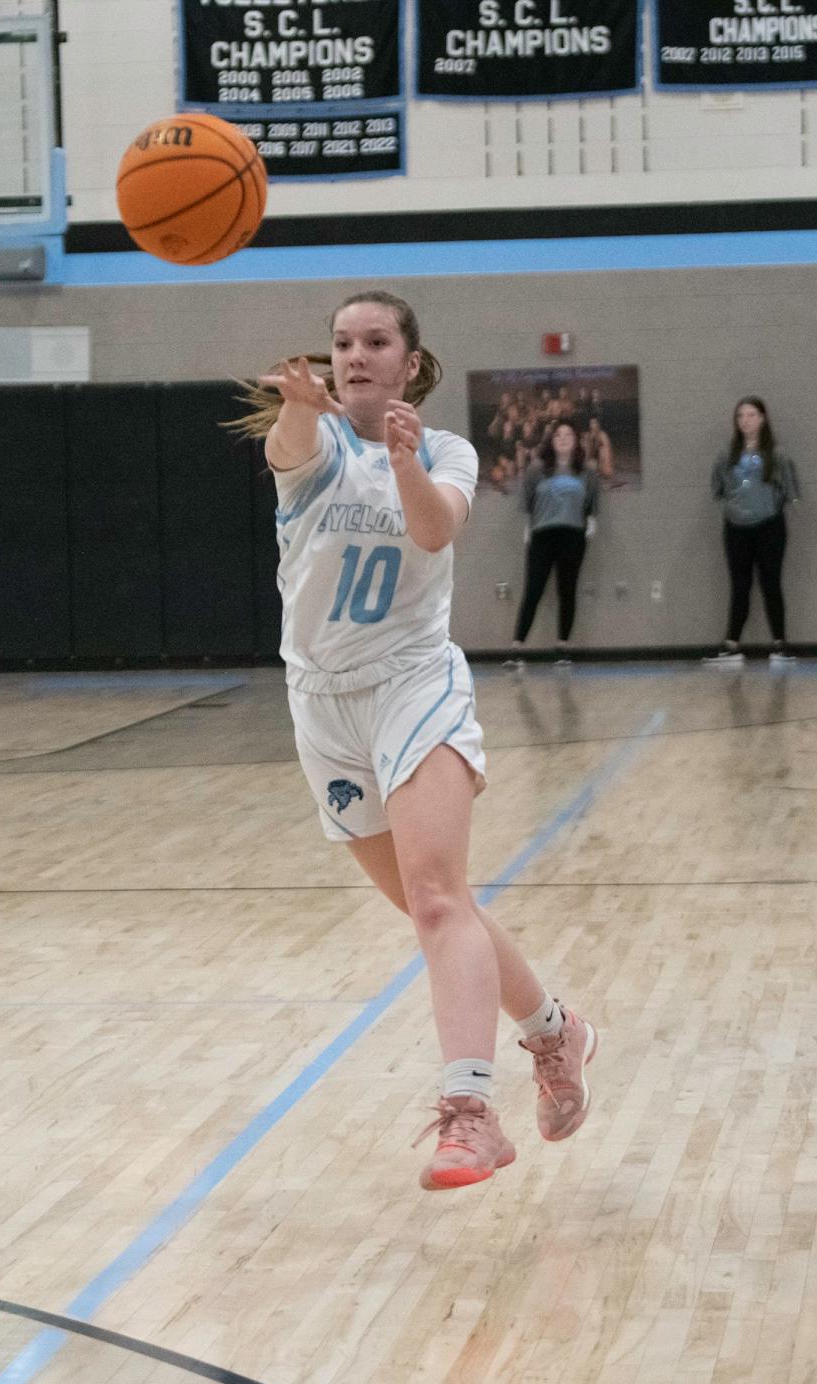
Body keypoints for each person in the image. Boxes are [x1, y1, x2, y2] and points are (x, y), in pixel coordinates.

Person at [230, 291, 597, 1191]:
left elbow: (434, 529)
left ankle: (471, 1114)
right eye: (342, 343)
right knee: (437, 912)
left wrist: (402, 459)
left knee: (438, 900)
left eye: (375, 341)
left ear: (409, 359)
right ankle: (557, 1032)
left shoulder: (447, 452)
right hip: (322, 706)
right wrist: (297, 408)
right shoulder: (307, 441)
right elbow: (289, 448)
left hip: (412, 685)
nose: (355, 354)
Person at [705, 396, 800, 668]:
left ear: (762, 419)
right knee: (740, 584)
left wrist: (775, 504)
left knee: (771, 582)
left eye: (751, 415)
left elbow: (790, 488)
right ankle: (732, 643)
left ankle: (780, 643)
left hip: (770, 526)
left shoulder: (777, 453)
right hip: (736, 528)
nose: (745, 421)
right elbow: (717, 487)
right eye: (740, 416)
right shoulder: (727, 453)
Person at [505, 421, 599, 671]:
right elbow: (527, 500)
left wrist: (590, 521)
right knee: (533, 589)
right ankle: (517, 648)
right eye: (558, 434)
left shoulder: (587, 471)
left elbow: (591, 501)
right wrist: (528, 527)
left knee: (566, 590)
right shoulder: (538, 469)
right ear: (551, 440)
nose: (564, 438)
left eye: (569, 434)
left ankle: (562, 647)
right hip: (542, 535)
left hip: (573, 536)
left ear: (576, 440)